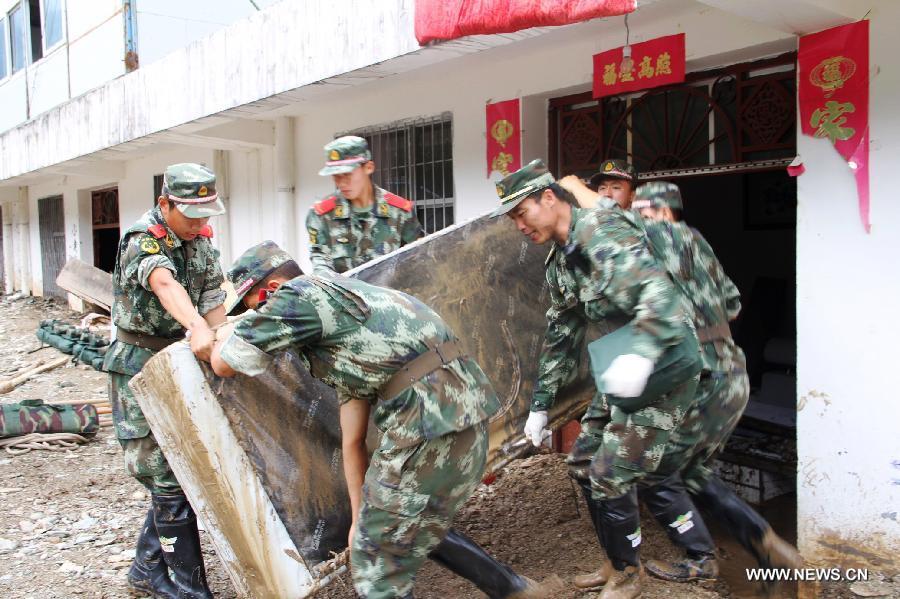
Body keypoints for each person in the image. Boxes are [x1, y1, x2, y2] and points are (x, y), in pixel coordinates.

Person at [213, 241, 560, 599]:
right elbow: (352, 440)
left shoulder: (297, 296)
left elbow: (224, 363)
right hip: (466, 418)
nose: (257, 318)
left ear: (269, 291)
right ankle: (514, 589)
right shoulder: (349, 322)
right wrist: (359, 517)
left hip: (425, 424)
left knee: (376, 567)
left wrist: (206, 334)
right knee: (416, 523)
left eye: (254, 307)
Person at [491, 159, 707, 599]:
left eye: (522, 212)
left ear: (548, 198)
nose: (518, 224)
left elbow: (659, 295)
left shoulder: (605, 231)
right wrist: (540, 405)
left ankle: (630, 576)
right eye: (511, 217)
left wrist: (642, 356)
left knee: (611, 473)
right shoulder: (559, 262)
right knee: (585, 463)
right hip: (623, 366)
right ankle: (615, 563)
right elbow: (561, 334)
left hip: (664, 363)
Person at [632, 182, 802, 584]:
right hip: (731, 375)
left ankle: (699, 558)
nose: (638, 217)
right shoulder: (698, 247)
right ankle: (765, 542)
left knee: (655, 471)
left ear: (664, 211)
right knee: (692, 472)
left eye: (643, 210)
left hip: (705, 377)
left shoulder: (671, 235)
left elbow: (610, 224)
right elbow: (734, 305)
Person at [103, 163, 227, 599]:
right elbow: (164, 285)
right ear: (165, 204)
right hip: (139, 362)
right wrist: (197, 329)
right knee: (161, 471)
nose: (199, 224)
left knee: (181, 468)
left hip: (182, 361)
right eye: (191, 215)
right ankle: (190, 591)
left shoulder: (202, 242)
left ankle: (145, 569)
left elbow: (213, 301)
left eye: (206, 215)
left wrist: (222, 346)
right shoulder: (142, 239)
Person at [306, 136, 422, 275]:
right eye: (336, 176)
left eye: (347, 174)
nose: (341, 183)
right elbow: (321, 265)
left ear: (368, 167)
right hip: (344, 295)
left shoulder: (400, 212)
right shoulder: (321, 215)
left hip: (389, 294)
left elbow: (418, 258)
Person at [557, 159, 639, 212]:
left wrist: (575, 185)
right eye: (602, 188)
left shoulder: (638, 221)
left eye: (616, 187)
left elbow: (607, 213)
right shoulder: (590, 223)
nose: (607, 194)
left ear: (632, 195)